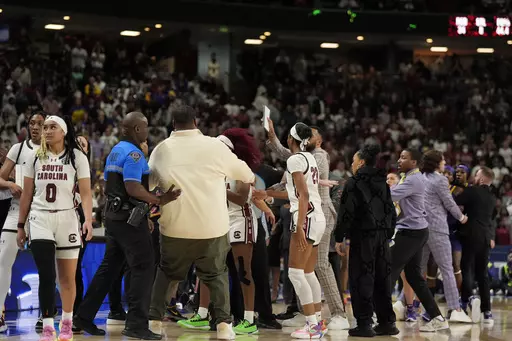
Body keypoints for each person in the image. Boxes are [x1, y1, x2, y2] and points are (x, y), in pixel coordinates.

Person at [147, 105, 255, 340]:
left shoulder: (161, 149)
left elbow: (149, 186)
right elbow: (247, 175)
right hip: (212, 226)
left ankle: (154, 321)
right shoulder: (214, 146)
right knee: (216, 275)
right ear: (196, 121)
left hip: (175, 225)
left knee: (167, 273)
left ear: (172, 123)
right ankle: (224, 325)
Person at [73, 112, 180, 340]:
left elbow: (110, 185)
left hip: (114, 219)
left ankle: (82, 317)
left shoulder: (115, 152)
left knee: (109, 268)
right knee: (144, 267)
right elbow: (133, 188)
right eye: (146, 127)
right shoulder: (134, 154)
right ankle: (136, 325)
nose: (147, 131)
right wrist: (159, 199)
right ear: (137, 129)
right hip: (129, 220)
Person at [178, 128, 274, 335]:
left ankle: (249, 319)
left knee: (243, 272)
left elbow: (240, 198)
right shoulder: (214, 170)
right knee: (208, 269)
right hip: (221, 221)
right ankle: (202, 314)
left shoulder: (240, 168)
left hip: (242, 220)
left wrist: (217, 188)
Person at [266, 118, 349, 330]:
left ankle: (333, 316)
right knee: (307, 271)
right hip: (312, 213)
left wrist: (300, 224)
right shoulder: (304, 157)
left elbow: (306, 188)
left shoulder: (318, 156)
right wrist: (273, 136)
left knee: (310, 268)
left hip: (312, 213)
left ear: (318, 141)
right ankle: (312, 317)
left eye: (310, 136)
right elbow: (288, 158)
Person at [16, 115, 93, 341]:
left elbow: (86, 193)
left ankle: (67, 322)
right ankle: (48, 325)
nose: (47, 131)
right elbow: (27, 195)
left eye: (52, 127)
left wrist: (88, 220)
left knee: (67, 278)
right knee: (47, 275)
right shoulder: (34, 156)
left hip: (68, 218)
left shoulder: (77, 157)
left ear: (64, 131)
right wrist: (21, 225)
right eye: (45, 127)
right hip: (40, 218)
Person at [334, 145, 398, 337]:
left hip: (363, 236)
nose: (352, 164)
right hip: (382, 237)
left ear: (361, 162)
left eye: (354, 161)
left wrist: (339, 237)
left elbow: (347, 213)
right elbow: (391, 211)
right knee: (382, 278)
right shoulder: (383, 182)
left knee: (361, 278)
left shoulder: (354, 183)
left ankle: (364, 323)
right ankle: (387, 322)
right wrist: (388, 233)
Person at [389, 148, 449, 332]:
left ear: (414, 162)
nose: (399, 160)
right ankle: (438, 317)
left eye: (404, 158)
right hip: (418, 230)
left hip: (410, 232)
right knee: (414, 277)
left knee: (388, 269)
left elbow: (390, 196)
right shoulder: (411, 177)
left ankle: (382, 317)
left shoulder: (413, 179)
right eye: (399, 156)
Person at [281, 122, 327, 339]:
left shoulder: (295, 159)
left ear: (291, 139)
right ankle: (318, 322)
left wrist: (298, 226)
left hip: (306, 218)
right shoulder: (310, 158)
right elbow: (298, 192)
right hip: (317, 217)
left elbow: (303, 195)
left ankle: (312, 327)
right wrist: (267, 194)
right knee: (308, 273)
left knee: (295, 273)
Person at [0, 111, 44, 333]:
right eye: (31, 123)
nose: (35, 127)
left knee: (48, 267)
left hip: (42, 212)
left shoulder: (54, 150)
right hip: (16, 211)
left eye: (40, 124)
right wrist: (9, 185)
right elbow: (0, 177)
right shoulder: (17, 149)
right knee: (3, 260)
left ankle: (45, 316)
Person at [420, 150, 472, 323]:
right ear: (437, 163)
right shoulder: (440, 179)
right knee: (447, 269)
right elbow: (449, 202)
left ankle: (412, 306)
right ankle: (455, 309)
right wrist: (462, 217)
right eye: (442, 160)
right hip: (437, 228)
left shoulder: (421, 177)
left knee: (419, 270)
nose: (444, 162)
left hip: (421, 227)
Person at [455, 166, 497, 324]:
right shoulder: (493, 198)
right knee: (483, 274)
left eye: (477, 174)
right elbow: (491, 218)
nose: (474, 176)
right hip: (485, 238)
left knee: (467, 270)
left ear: (483, 178)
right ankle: (487, 312)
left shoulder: (473, 191)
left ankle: (465, 303)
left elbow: (456, 201)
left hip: (471, 236)